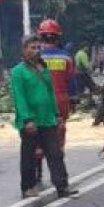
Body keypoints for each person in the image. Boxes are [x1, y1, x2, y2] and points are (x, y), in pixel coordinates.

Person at [10, 36, 77, 199]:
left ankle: (62, 186)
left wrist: (56, 114)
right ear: (24, 50)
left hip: (47, 118)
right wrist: (27, 119)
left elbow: (50, 93)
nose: (36, 51)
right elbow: (19, 98)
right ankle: (28, 187)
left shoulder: (43, 69)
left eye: (38, 47)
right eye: (32, 47)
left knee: (55, 152)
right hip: (30, 120)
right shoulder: (18, 72)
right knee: (29, 155)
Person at [37, 19, 75, 148]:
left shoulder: (35, 58)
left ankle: (40, 151)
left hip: (40, 100)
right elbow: (71, 81)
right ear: (58, 38)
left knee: (40, 129)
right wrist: (73, 99)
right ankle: (58, 152)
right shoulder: (66, 57)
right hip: (61, 100)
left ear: (40, 38)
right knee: (60, 128)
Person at [73, 41, 97, 106]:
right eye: (88, 47)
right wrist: (93, 72)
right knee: (92, 87)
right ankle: (89, 101)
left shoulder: (78, 53)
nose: (88, 49)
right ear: (85, 47)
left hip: (77, 74)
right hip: (82, 74)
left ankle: (80, 103)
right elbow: (86, 65)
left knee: (80, 89)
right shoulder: (83, 54)